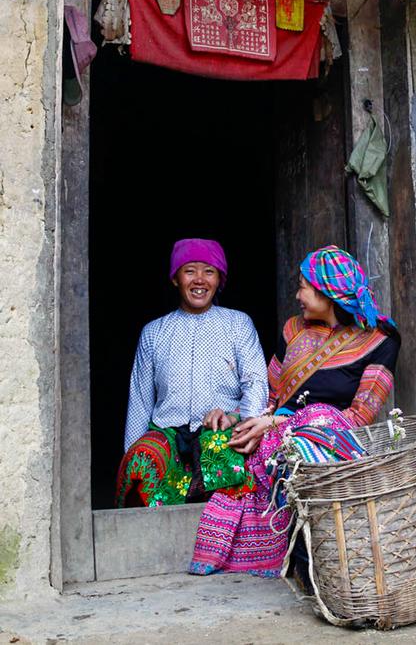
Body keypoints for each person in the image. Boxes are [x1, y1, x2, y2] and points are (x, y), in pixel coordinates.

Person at [189, 244, 400, 578]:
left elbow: (359, 417)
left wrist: (281, 424)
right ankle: (298, 553)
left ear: (328, 293)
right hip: (275, 440)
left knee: (319, 416)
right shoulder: (292, 330)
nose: (298, 295)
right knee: (218, 442)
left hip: (330, 445)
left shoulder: (380, 341)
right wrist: (238, 417)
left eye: (303, 287)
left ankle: (311, 557)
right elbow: (271, 396)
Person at [115, 238, 268, 508]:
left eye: (209, 271)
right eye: (189, 271)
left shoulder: (238, 324)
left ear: (219, 279)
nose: (199, 279)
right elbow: (140, 399)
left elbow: (255, 382)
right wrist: (131, 453)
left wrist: (242, 423)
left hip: (221, 430)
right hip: (168, 433)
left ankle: (221, 529)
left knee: (224, 458)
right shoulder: (154, 333)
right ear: (176, 279)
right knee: (142, 458)